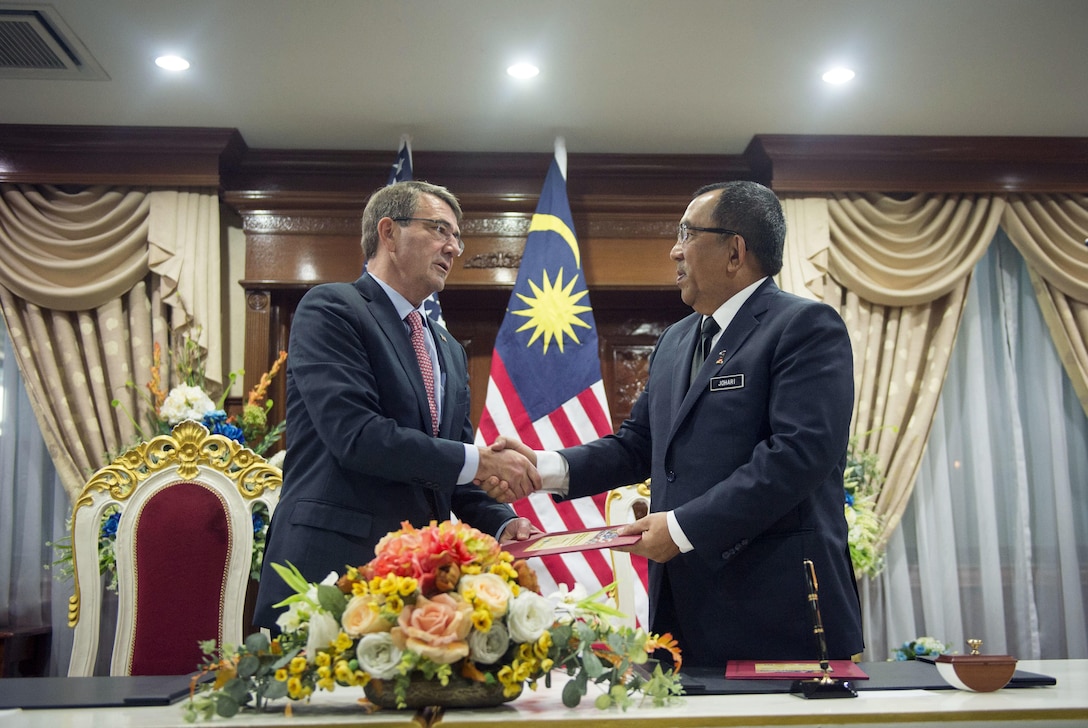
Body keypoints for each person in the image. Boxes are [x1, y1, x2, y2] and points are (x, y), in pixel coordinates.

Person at [486, 181, 864, 667]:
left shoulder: (805, 327)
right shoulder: (676, 340)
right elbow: (638, 444)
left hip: (779, 609)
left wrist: (684, 528)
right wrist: (545, 466)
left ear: (735, 251)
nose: (674, 250)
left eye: (686, 233)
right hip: (684, 612)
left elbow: (797, 457)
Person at [254, 180, 539, 629]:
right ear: (388, 232)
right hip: (329, 572)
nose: (454, 247)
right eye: (440, 230)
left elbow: (453, 474)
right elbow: (357, 436)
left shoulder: (447, 348)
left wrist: (504, 523)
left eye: (457, 237)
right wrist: (482, 462)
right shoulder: (332, 309)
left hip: (417, 585)